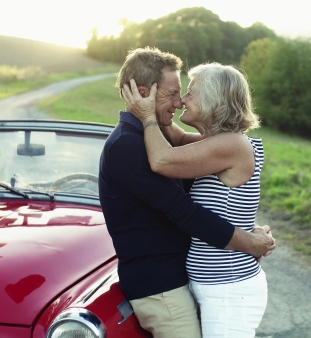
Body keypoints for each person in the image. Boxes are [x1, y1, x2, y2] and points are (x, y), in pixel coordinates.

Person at [98, 47, 275, 338]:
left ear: (214, 101)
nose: (180, 102)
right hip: (161, 285)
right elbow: (184, 208)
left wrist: (249, 234)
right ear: (144, 93)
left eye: (188, 93)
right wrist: (249, 241)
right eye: (173, 94)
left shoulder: (210, 142)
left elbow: (184, 174)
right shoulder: (129, 144)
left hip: (211, 285)